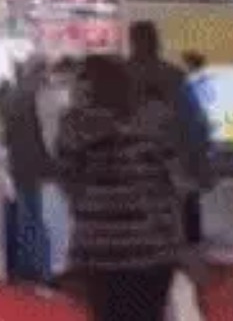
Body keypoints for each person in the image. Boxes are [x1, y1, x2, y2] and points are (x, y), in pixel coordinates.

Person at [57, 54, 184, 321]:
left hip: (98, 247)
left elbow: (68, 183)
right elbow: (175, 181)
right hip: (150, 245)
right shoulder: (152, 122)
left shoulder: (73, 126)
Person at [128, 23, 212, 249]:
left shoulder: (121, 77)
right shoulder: (174, 76)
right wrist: (200, 161)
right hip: (173, 162)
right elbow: (194, 122)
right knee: (184, 228)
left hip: (138, 167)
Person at [0, 55, 58, 286]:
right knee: (42, 219)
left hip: (19, 165)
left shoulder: (12, 97)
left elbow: (6, 135)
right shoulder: (40, 95)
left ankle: (27, 267)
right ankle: (43, 270)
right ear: (40, 71)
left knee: (27, 217)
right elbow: (48, 134)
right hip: (41, 167)